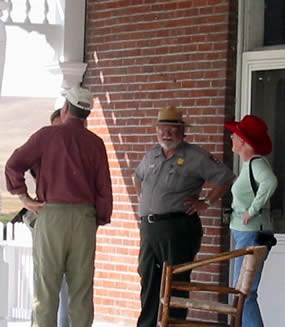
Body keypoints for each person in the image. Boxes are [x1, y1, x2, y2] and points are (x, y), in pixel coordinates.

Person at [5, 86, 113, 327]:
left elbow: (14, 165)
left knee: (46, 290)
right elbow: (104, 187)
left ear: (66, 108)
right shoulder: (96, 143)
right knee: (82, 292)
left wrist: (24, 198)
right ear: (87, 114)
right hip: (85, 218)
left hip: (51, 214)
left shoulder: (47, 135)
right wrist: (99, 218)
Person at [135, 105, 235, 327]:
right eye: (162, 129)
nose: (166, 134)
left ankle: (173, 324)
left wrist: (206, 203)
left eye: (172, 129)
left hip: (178, 227)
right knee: (148, 279)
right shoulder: (152, 154)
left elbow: (225, 177)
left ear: (183, 132)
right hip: (150, 228)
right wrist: (144, 200)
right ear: (156, 131)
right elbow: (137, 176)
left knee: (177, 282)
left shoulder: (195, 156)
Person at [225, 114, 277, 327]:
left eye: (234, 135)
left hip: (251, 233)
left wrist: (253, 210)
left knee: (244, 294)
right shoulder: (249, 165)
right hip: (246, 232)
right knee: (243, 293)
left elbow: (270, 182)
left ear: (243, 141)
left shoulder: (256, 164)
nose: (231, 138)